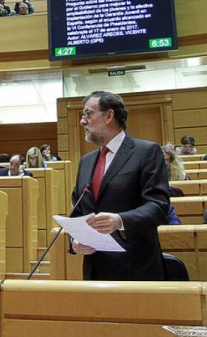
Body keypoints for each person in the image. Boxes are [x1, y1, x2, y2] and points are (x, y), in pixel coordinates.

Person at [69, 91, 170, 281]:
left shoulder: (146, 152)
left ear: (109, 115)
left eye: (88, 114)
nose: (83, 121)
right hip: (95, 271)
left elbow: (158, 206)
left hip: (136, 268)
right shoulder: (86, 162)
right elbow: (78, 212)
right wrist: (75, 240)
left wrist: (120, 220)